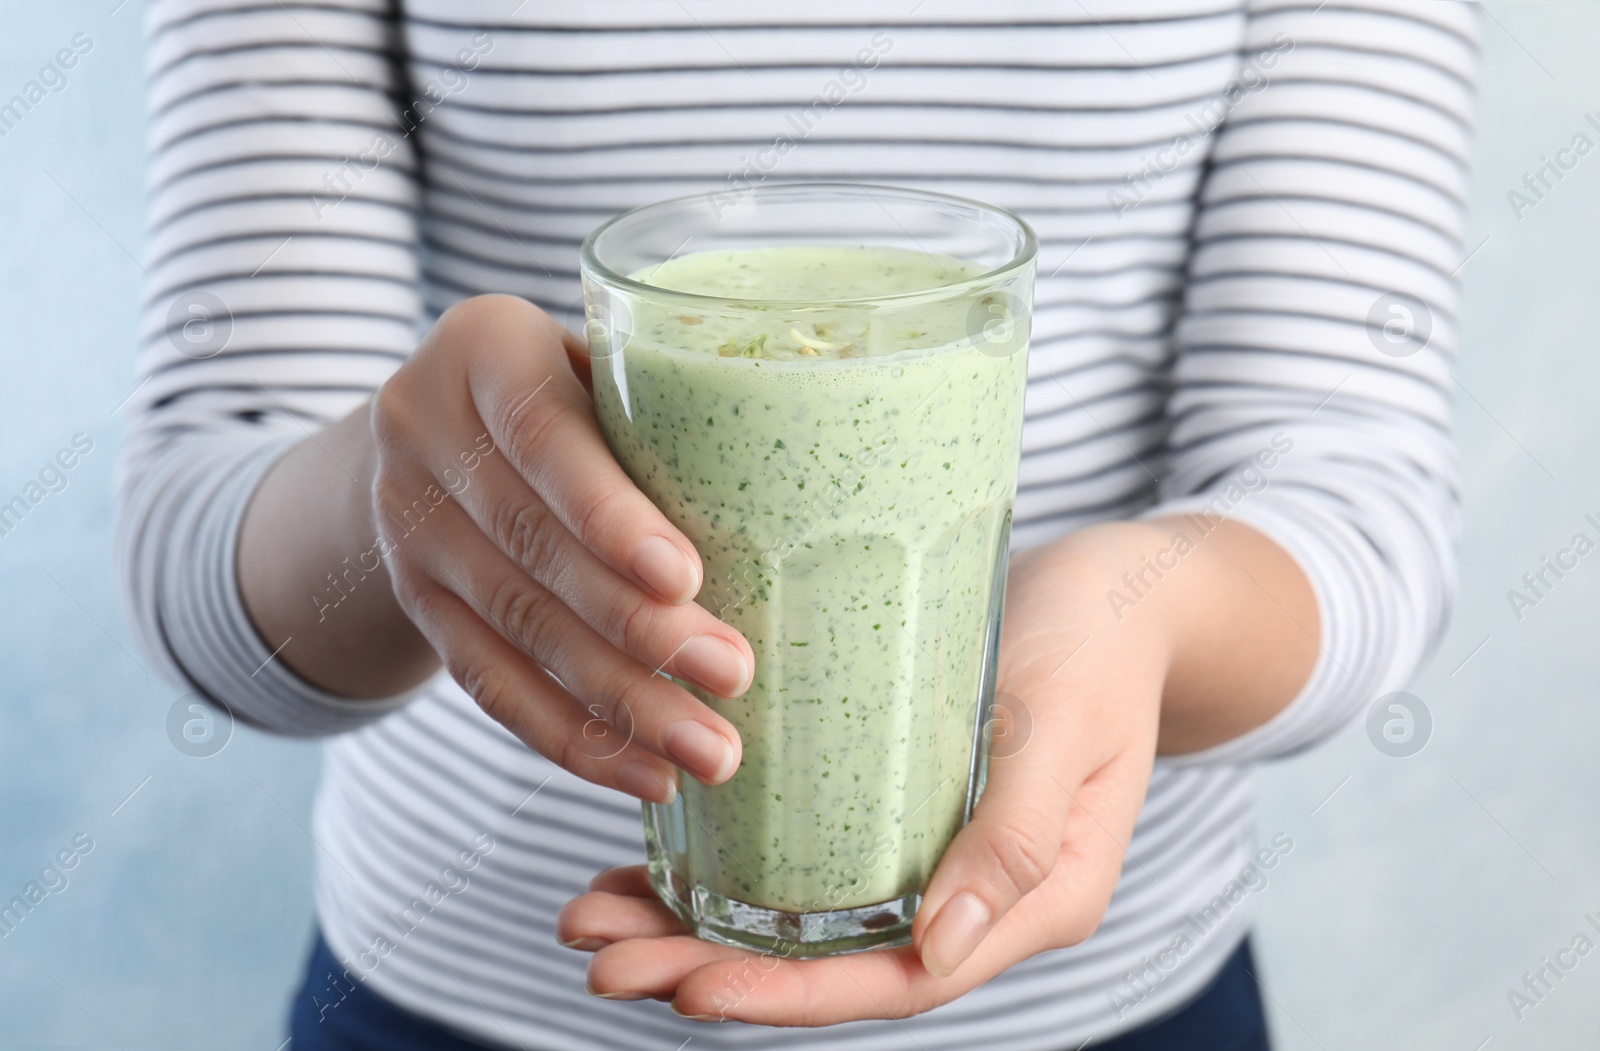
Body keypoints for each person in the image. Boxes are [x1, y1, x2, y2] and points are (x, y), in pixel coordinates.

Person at [117, 2, 1475, 1048]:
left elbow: (1357, 504)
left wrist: (1140, 618)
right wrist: (384, 488)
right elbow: (197, 550)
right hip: (461, 993)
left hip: (1112, 1006)